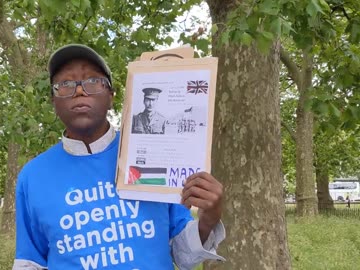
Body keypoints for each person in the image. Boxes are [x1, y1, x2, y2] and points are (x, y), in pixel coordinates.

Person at [13, 44, 225, 270]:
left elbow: (183, 255)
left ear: (111, 96)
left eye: (92, 81)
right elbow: (30, 263)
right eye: (65, 84)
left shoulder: (154, 152)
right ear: (53, 102)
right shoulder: (34, 176)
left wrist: (209, 218)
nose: (79, 91)